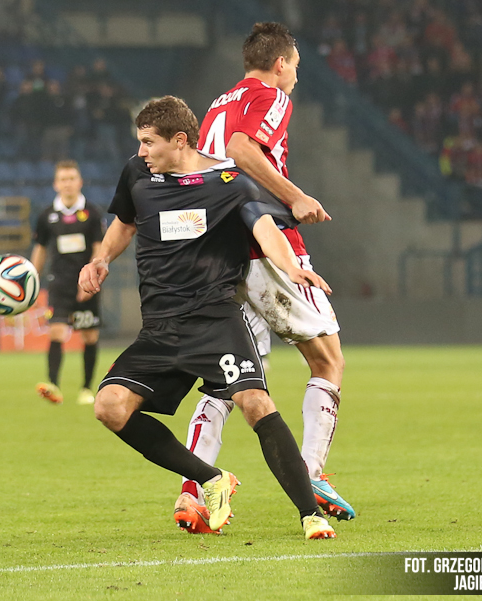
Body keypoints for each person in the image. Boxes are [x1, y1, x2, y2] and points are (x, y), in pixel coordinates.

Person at [78, 96, 337, 540]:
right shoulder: (138, 173)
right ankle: (212, 478)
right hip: (160, 328)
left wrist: (291, 267)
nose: (141, 151)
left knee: (255, 403)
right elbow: (125, 222)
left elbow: (263, 227)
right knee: (110, 406)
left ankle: (309, 514)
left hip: (215, 321)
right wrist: (101, 258)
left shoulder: (229, 181)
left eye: (149, 142)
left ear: (180, 140)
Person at [177, 22, 354, 534]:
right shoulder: (271, 96)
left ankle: (192, 492)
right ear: (280, 64)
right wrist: (295, 196)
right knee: (328, 360)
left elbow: (207, 165)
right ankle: (311, 474)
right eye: (295, 64)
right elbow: (241, 149)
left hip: (218, 253)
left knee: (229, 378)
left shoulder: (218, 103)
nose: (296, 73)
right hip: (264, 245)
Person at [31, 161, 105, 405]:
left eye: (71, 178)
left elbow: (98, 249)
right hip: (59, 283)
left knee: (89, 335)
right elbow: (40, 249)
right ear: (56, 184)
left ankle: (86, 388)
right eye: (63, 179)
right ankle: (53, 384)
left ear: (79, 182)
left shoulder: (92, 213)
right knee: (56, 331)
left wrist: (92, 280)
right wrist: (31, 279)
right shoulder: (47, 216)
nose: (67, 183)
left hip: (86, 283)